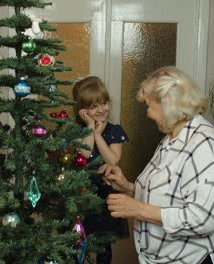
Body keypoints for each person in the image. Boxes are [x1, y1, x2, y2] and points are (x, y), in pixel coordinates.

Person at [98, 66, 214, 264]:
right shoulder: (172, 137)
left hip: (196, 259)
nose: (148, 114)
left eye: (149, 105)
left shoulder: (205, 145)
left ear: (167, 103)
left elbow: (202, 219)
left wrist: (136, 209)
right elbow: (170, 195)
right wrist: (128, 187)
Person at [72, 76, 129, 264]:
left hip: (105, 191)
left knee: (104, 244)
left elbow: (112, 159)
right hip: (82, 191)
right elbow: (84, 154)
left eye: (104, 103)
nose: (101, 109)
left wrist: (98, 135)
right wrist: (90, 128)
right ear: (83, 111)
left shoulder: (114, 130)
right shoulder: (78, 130)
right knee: (78, 238)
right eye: (94, 106)